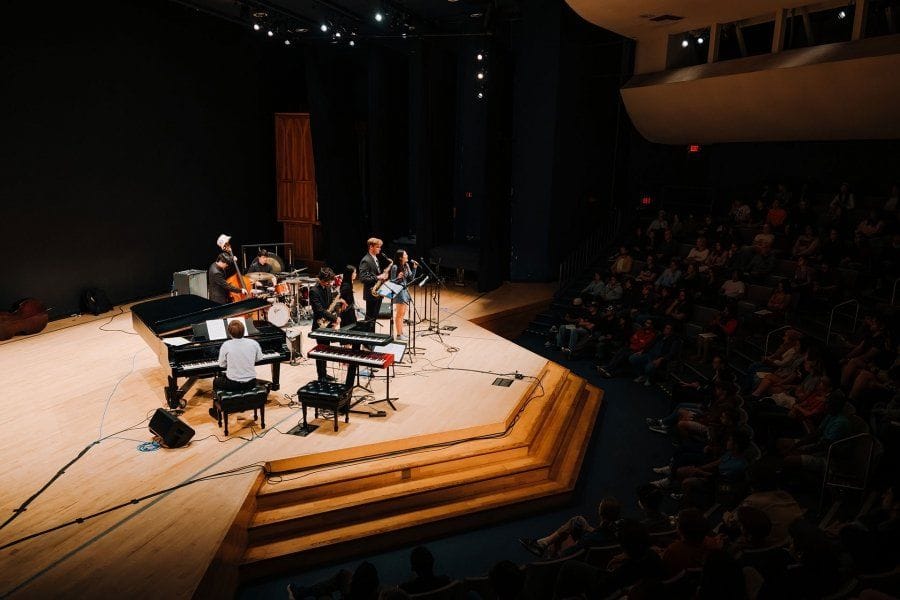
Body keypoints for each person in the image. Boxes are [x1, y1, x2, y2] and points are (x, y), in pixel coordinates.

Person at [210, 319, 262, 419]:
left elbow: (221, 365)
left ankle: (217, 410)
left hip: (233, 384)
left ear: (230, 333)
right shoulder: (253, 343)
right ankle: (245, 404)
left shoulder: (226, 345)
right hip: (251, 383)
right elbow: (259, 358)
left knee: (216, 381)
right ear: (244, 331)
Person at [309, 267, 342, 383]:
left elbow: (332, 303)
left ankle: (325, 374)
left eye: (329, 281)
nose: (329, 283)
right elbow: (319, 310)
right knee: (320, 351)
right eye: (326, 281)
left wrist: (335, 317)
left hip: (328, 323)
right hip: (319, 325)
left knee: (326, 350)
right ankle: (321, 376)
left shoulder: (328, 287)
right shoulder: (313, 291)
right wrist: (334, 318)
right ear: (320, 279)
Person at [359, 237, 390, 322]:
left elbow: (374, 274)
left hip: (377, 292)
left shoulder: (375, 258)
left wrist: (383, 277)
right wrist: (378, 277)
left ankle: (372, 334)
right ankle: (368, 334)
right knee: (370, 319)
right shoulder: (366, 260)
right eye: (377, 247)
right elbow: (363, 278)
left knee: (374, 318)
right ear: (371, 247)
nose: (380, 249)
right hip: (371, 294)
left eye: (380, 247)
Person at [390, 250, 417, 340]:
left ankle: (401, 332)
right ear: (400, 257)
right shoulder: (395, 267)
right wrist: (398, 277)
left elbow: (411, 278)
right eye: (405, 254)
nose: (407, 255)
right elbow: (392, 281)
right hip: (399, 292)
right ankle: (398, 335)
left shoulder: (406, 265)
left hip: (405, 291)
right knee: (399, 314)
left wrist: (414, 268)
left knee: (403, 313)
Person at [339, 265, 359, 330]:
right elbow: (339, 296)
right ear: (350, 274)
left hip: (349, 310)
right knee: (349, 329)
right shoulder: (346, 286)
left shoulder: (348, 283)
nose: (356, 274)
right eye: (354, 273)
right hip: (347, 313)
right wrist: (343, 302)